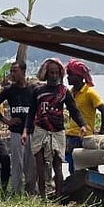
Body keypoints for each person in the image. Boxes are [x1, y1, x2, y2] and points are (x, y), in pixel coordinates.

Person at [33, 58, 88, 197]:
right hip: (40, 129)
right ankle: (43, 196)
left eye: (56, 73)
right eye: (51, 73)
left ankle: (58, 195)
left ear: (60, 74)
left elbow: (73, 110)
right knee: (40, 167)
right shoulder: (38, 90)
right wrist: (26, 131)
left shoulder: (63, 92)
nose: (54, 76)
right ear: (46, 73)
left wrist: (82, 125)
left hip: (57, 130)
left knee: (58, 165)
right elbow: (32, 112)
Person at [0, 61, 39, 197]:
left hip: (31, 131)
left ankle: (31, 192)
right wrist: (7, 121)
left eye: (14, 71)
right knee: (17, 164)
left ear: (23, 72)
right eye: (11, 71)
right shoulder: (9, 90)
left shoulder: (33, 90)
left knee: (31, 164)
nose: (12, 74)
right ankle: (17, 193)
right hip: (16, 131)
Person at [63, 59, 104, 174]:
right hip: (71, 135)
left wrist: (101, 132)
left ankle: (95, 188)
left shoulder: (89, 93)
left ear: (78, 76)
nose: (68, 78)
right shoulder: (70, 92)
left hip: (85, 136)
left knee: (91, 166)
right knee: (73, 168)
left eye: (70, 75)